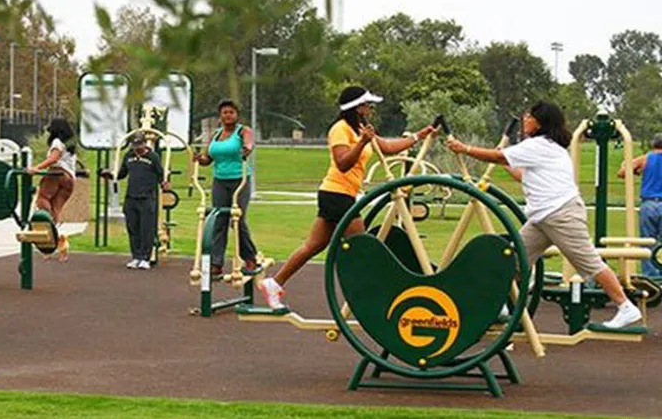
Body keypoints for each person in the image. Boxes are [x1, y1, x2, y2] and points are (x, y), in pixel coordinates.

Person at [446, 101, 642, 329]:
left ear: (540, 122)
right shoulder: (546, 148)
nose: (524, 119)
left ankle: (625, 307)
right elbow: (520, 173)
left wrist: (464, 148)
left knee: (588, 263)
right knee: (515, 261)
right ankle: (497, 305)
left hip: (560, 214)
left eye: (529, 116)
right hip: (542, 219)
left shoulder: (540, 145)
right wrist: (501, 160)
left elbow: (499, 157)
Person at [258, 86, 437, 309]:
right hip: (337, 194)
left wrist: (419, 136)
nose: (371, 109)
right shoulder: (340, 130)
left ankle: (274, 283)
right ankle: (373, 297)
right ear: (357, 108)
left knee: (313, 246)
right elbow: (342, 163)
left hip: (341, 194)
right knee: (363, 248)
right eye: (367, 105)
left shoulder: (360, 129)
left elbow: (388, 147)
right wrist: (362, 142)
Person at [193, 99, 259, 277]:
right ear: (220, 116)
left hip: (240, 180)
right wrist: (200, 158)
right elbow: (208, 159)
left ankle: (250, 258)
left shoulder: (243, 131)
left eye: (231, 112)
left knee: (237, 219)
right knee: (218, 220)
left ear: (236, 115)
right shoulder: (216, 135)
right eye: (224, 112)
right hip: (220, 181)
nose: (228, 115)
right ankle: (216, 263)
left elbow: (249, 143)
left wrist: (247, 148)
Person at [101, 133, 169, 270]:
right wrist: (108, 174)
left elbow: (161, 174)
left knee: (147, 228)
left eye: (139, 145)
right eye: (134, 145)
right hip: (131, 196)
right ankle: (136, 256)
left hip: (147, 197)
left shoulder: (153, 157)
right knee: (133, 227)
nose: (137, 148)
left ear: (145, 144)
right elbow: (122, 174)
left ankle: (145, 257)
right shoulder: (129, 156)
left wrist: (164, 183)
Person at [28, 118, 77, 263]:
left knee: (43, 199)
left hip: (56, 173)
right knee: (56, 209)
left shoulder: (57, 142)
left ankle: (48, 233)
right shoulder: (70, 145)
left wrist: (37, 168)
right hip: (70, 179)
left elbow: (54, 158)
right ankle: (58, 241)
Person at [618, 132, 662, 278]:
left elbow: (622, 172)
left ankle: (650, 277)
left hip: (648, 204)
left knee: (647, 242)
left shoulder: (645, 159)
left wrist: (636, 171)